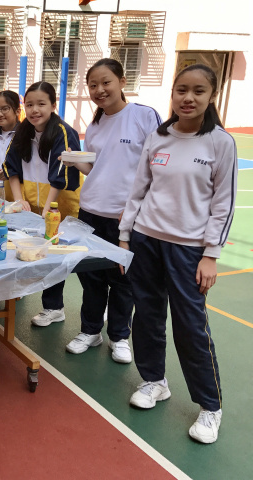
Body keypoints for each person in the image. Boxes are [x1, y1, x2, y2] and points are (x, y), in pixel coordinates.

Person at [118, 64, 236, 444]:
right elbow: (138, 189)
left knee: (190, 326)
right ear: (172, 93)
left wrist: (211, 254)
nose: (188, 98)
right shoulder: (159, 136)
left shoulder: (220, 142)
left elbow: (223, 204)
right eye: (181, 89)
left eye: (198, 91)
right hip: (145, 240)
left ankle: (210, 407)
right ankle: (154, 381)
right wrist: (125, 236)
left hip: (189, 250)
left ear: (212, 96)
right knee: (147, 315)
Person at [63, 58, 161, 364]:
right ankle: (91, 331)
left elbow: (158, 167)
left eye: (106, 82)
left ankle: (119, 337)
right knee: (91, 277)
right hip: (91, 210)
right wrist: (74, 160)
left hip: (125, 216)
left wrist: (137, 208)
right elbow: (95, 169)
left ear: (122, 82)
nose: (99, 90)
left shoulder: (144, 116)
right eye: (93, 85)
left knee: (122, 280)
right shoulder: (94, 125)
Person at [2, 81, 81, 326]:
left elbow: (60, 175)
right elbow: (11, 168)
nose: (34, 110)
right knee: (25, 248)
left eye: (41, 104)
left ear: (53, 105)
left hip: (58, 205)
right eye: (29, 105)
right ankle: (18, 292)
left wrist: (48, 209)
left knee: (54, 256)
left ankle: (54, 308)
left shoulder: (63, 132)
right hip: (31, 204)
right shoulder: (22, 132)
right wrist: (19, 200)